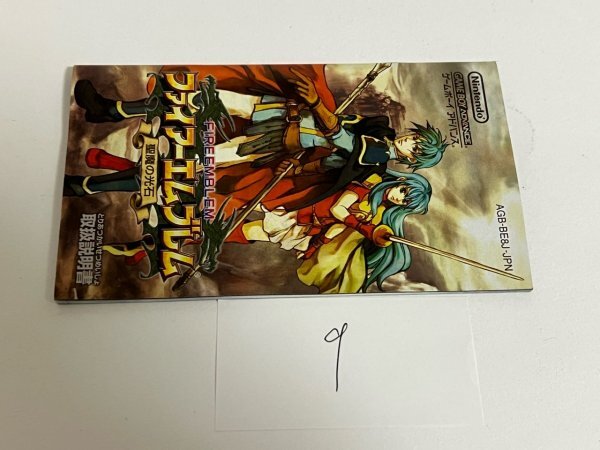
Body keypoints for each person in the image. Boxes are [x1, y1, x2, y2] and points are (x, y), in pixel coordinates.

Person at [227, 170, 432, 294]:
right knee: (250, 211)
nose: (399, 198)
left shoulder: (376, 211)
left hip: (314, 224)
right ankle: (219, 221)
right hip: (306, 206)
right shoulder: (369, 185)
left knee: (258, 232)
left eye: (405, 202)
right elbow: (338, 209)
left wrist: (314, 246)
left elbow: (338, 227)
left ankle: (218, 233)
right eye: (404, 192)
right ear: (401, 181)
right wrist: (366, 229)